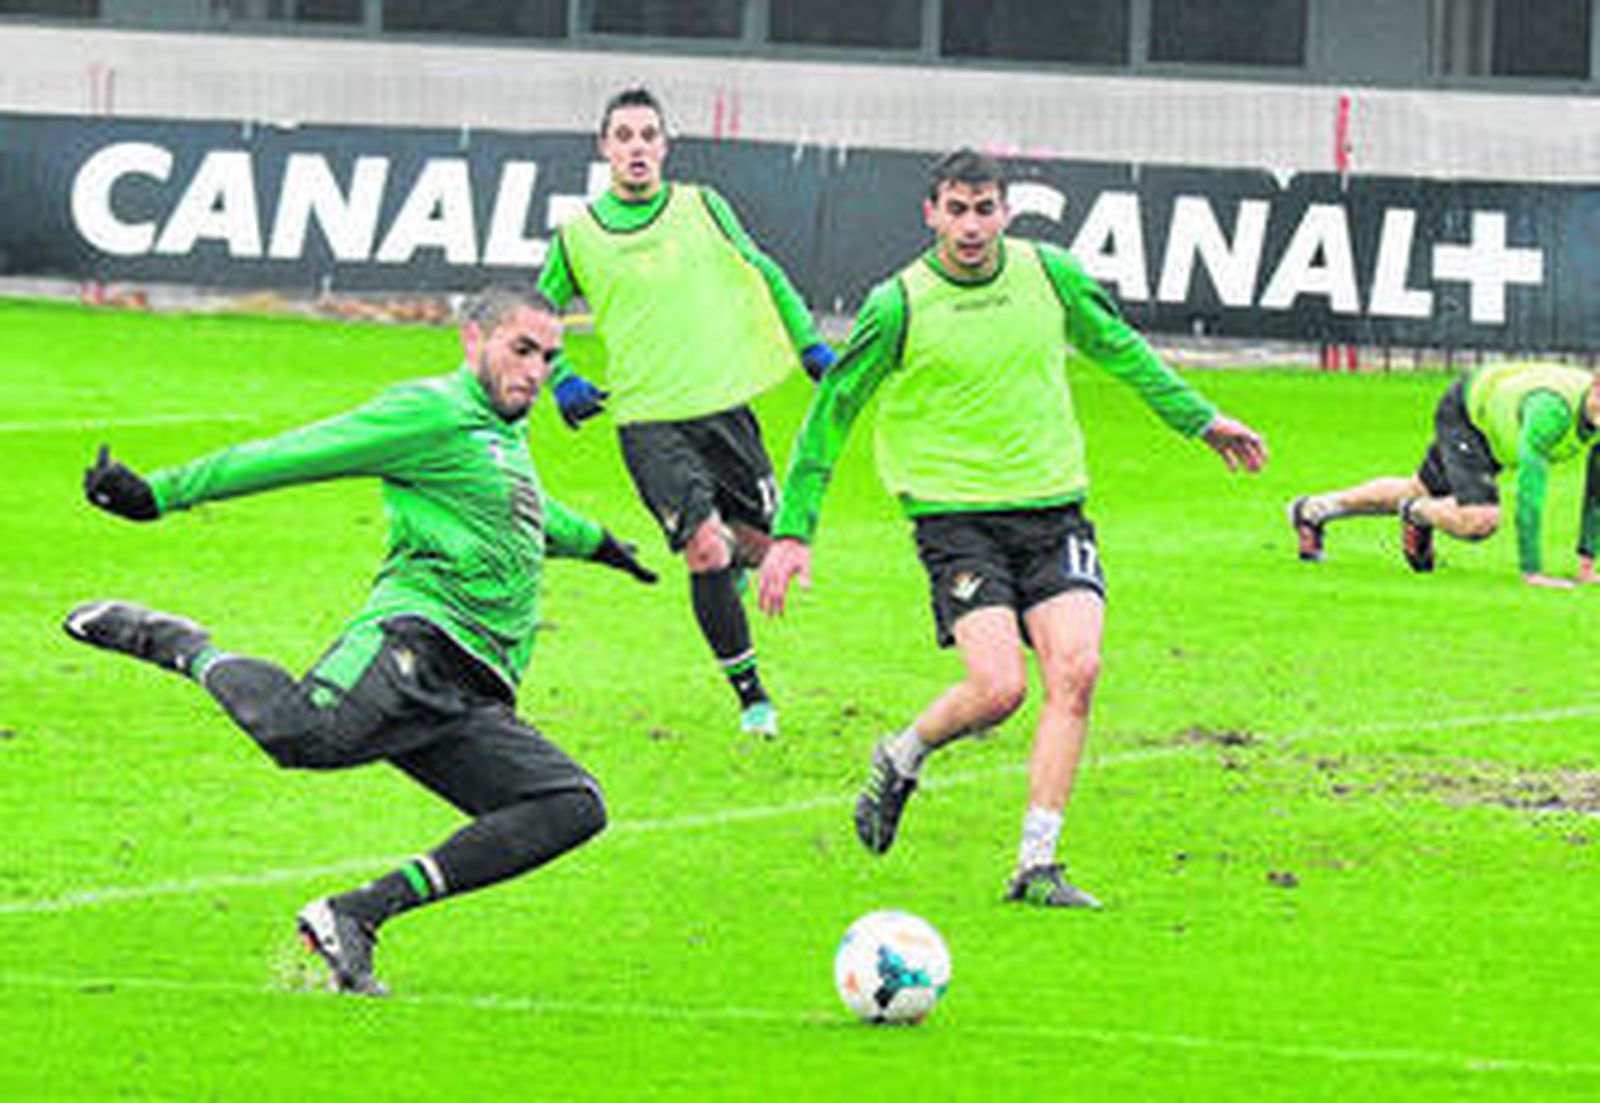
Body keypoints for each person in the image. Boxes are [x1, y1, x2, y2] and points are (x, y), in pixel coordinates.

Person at [64, 285, 658, 995]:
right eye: (521, 349)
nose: (535, 370)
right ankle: (175, 642)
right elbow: (300, 452)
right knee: (299, 735)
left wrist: (598, 544)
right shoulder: (430, 410)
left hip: (476, 687)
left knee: (570, 805)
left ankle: (356, 915)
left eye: (550, 357)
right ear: (474, 340)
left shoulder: (503, 431)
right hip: (418, 639)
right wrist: (161, 493)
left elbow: (520, 509)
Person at [758, 149, 1266, 908]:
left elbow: (1120, 350)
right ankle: (902, 755)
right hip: (956, 520)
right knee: (998, 690)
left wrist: (1199, 419)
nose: (971, 225)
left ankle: (1037, 865)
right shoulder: (897, 303)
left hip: (1054, 509)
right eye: (956, 209)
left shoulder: (1049, 275)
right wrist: (794, 528)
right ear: (930, 213)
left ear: (1005, 212)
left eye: (985, 208)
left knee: (1077, 672)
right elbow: (832, 411)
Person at [536, 86, 836, 739]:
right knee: (704, 550)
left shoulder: (703, 206)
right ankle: (753, 697)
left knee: (764, 549)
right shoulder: (578, 235)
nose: (637, 147)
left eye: (648, 135)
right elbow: (534, 315)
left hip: (725, 410)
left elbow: (766, 270)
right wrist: (560, 377)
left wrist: (808, 341)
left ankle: (731, 553)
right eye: (624, 136)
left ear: (665, 146)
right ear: (605, 149)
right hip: (647, 422)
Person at [1289, 360, 1600, 587]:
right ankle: (1416, 514)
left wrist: (1587, 565)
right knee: (1481, 520)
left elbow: (1596, 495)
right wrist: (1533, 571)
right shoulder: (1551, 412)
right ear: (1596, 387)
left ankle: (1313, 510)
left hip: (1493, 417)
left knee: (1415, 490)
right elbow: (1530, 491)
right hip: (1469, 414)